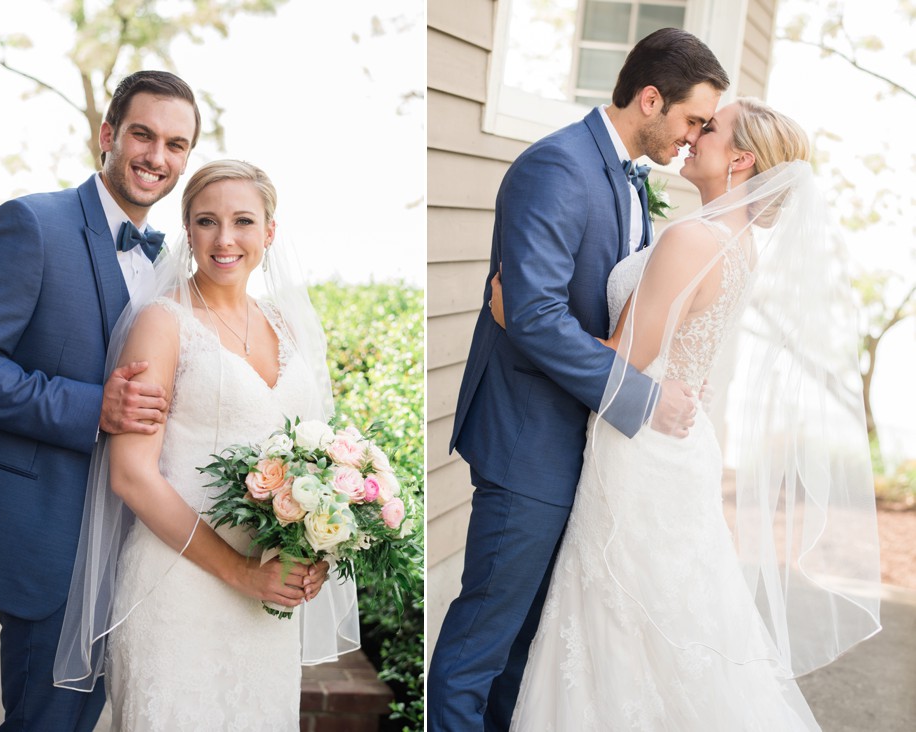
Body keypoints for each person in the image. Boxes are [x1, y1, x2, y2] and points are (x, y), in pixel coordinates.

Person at [493, 98, 882, 728]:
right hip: (678, 442)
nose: (695, 135)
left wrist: (521, 322)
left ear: (740, 159)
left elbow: (622, 359)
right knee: (668, 616)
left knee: (620, 620)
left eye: (711, 128)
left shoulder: (691, 238)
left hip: (638, 446)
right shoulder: (736, 244)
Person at [427, 29, 730, 731]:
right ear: (649, 99)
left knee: (528, 653)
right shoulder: (557, 167)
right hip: (528, 443)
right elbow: (531, 315)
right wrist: (644, 396)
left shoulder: (629, 178)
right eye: (689, 120)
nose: (692, 138)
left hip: (584, 448)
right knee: (482, 647)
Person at [0, 70, 201, 731]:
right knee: (44, 721)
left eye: (175, 144)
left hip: (133, 544)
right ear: (107, 135)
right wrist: (92, 409)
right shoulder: (32, 224)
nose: (156, 157)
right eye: (142, 134)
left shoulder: (173, 265)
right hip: (46, 535)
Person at [53, 160, 361, 730]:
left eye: (243, 221)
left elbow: (313, 465)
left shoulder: (287, 325)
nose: (225, 239)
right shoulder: (161, 323)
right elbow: (131, 475)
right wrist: (239, 572)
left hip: (265, 603)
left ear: (270, 231)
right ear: (187, 230)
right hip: (177, 590)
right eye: (206, 221)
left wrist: (312, 549)